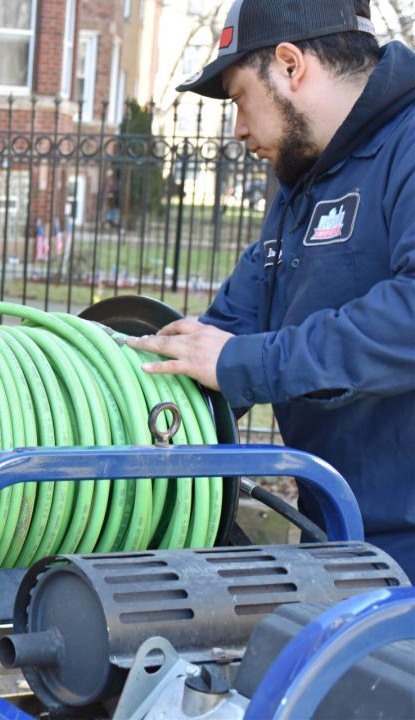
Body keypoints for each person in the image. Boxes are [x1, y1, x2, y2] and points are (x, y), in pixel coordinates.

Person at [127, 0, 415, 577]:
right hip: (337, 530)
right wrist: (128, 388)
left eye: (238, 98)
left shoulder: (406, 147)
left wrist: (243, 362)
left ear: (290, 65)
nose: (237, 129)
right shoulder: (302, 179)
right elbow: (233, 322)